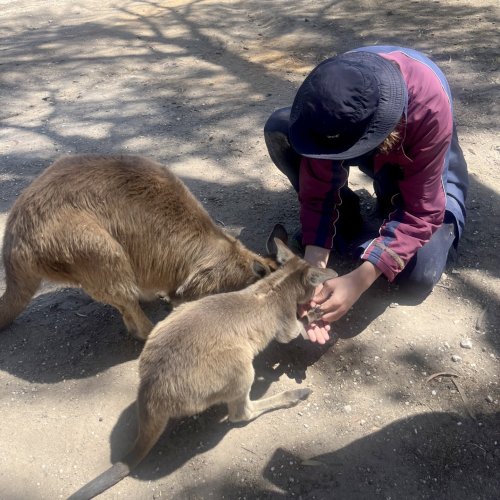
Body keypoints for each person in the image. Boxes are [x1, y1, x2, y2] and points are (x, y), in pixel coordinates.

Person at [264, 46, 468, 344]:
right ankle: (346, 218)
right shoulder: (326, 108)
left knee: (419, 274)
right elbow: (317, 188)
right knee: (282, 128)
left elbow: (423, 211)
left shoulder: (428, 107)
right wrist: (314, 267)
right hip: (363, 131)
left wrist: (360, 280)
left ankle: (387, 212)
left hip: (418, 152)